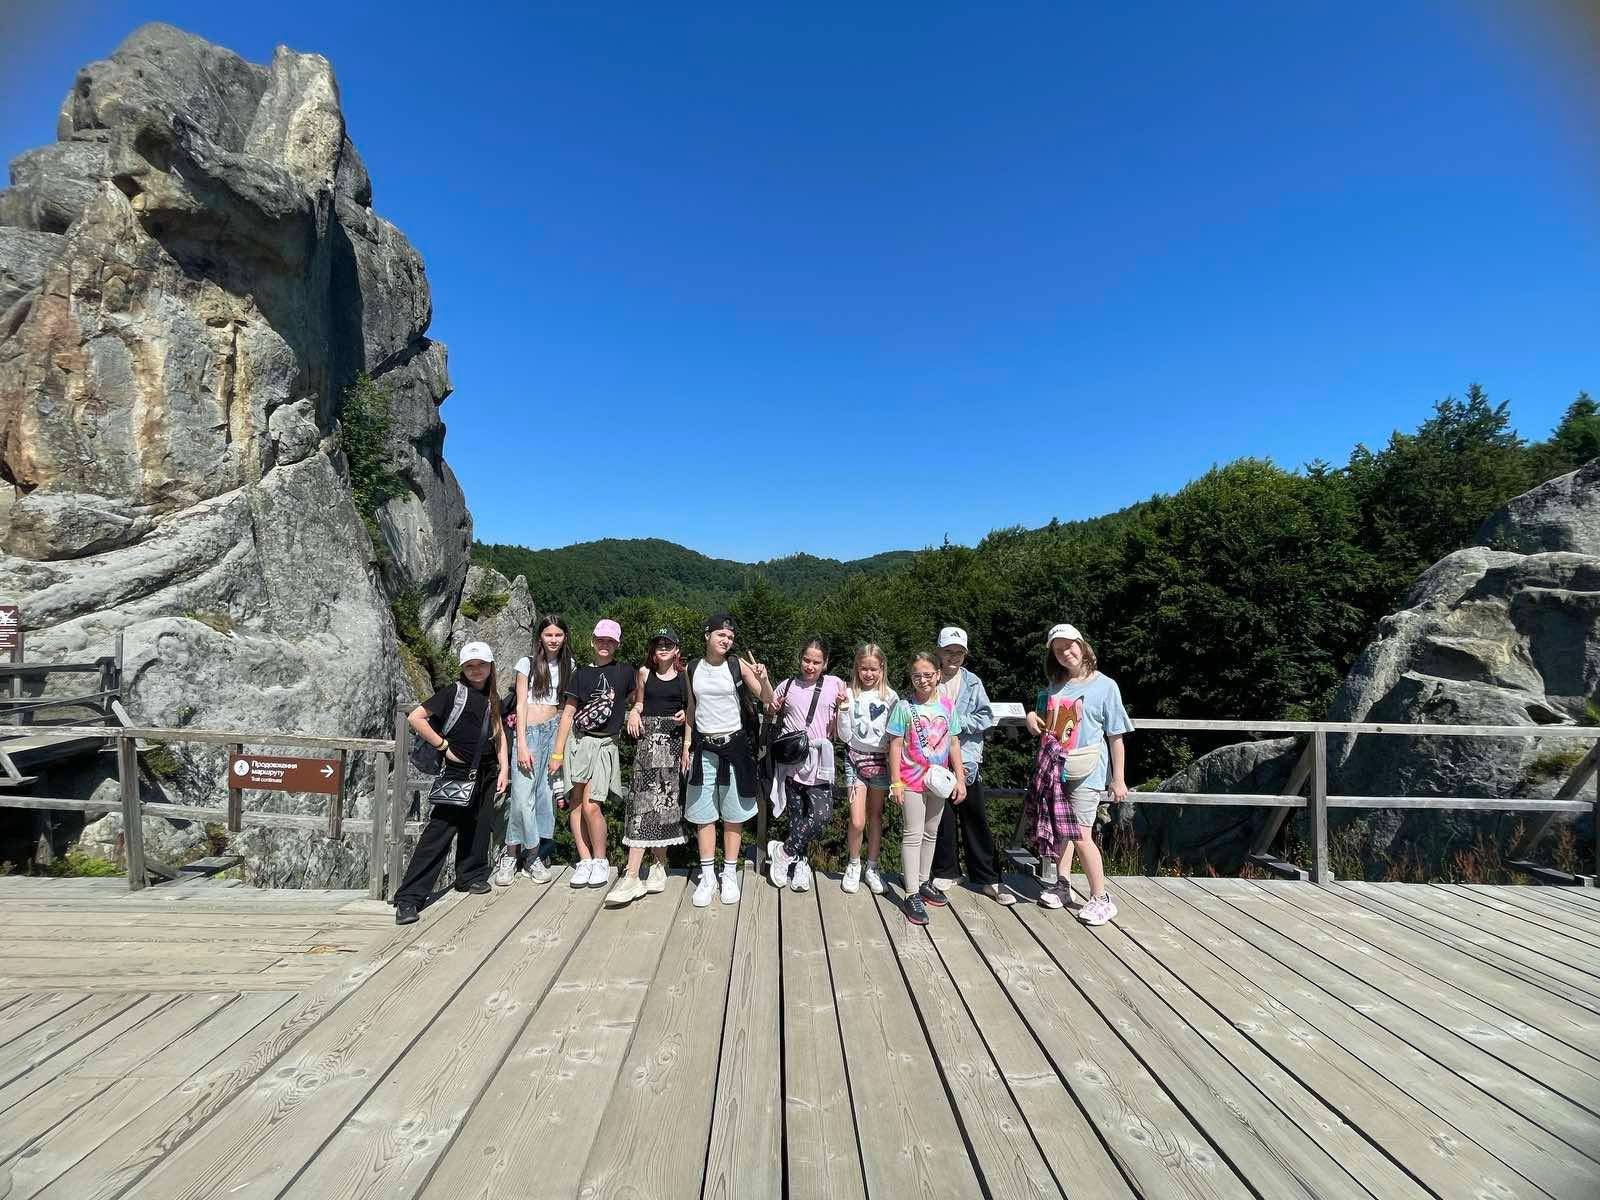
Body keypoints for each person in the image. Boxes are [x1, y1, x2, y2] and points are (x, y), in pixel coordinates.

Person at [1022, 622, 1130, 926]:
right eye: (1058, 650)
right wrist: (1031, 716)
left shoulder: (1105, 686)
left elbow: (1116, 736)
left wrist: (1118, 778)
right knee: (1061, 829)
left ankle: (1101, 898)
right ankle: (1063, 884)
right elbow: (1043, 717)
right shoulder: (1055, 684)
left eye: (1069, 646)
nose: (1065, 653)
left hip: (1088, 770)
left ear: (1082, 646)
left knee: (1081, 834)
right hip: (1056, 768)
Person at [395, 641, 509, 925]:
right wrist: (443, 746)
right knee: (439, 833)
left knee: (478, 826)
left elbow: (498, 732)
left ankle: (470, 875)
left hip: (487, 770)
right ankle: (409, 898)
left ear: (491, 666)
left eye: (481, 665)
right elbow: (416, 717)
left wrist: (504, 767)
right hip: (458, 770)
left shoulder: (492, 697)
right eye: (470, 666)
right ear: (462, 669)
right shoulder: (452, 693)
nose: (476, 670)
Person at [684, 612, 772, 907]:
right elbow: (692, 708)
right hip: (704, 748)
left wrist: (764, 679)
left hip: (734, 747)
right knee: (703, 814)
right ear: (707, 635)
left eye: (731, 637)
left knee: (733, 814)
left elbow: (768, 699)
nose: (726, 640)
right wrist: (686, 745)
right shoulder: (692, 668)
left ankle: (730, 873)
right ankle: (708, 876)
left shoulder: (738, 665)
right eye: (721, 634)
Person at [606, 628, 691, 906]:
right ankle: (632, 875)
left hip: (672, 745)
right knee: (641, 806)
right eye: (658, 644)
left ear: (677, 649)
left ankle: (658, 865)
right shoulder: (644, 673)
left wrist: (686, 730)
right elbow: (641, 702)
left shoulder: (685, 676)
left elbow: (692, 708)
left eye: (668, 644)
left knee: (665, 807)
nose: (663, 648)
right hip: (647, 744)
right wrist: (633, 711)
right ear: (653, 650)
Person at [549, 619, 634, 889]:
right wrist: (557, 753)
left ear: (617, 644)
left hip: (605, 744)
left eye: (610, 641)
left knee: (592, 805)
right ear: (592, 641)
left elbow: (637, 698)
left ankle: (600, 859)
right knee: (576, 802)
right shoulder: (581, 673)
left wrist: (637, 711)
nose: (604, 644)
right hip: (579, 742)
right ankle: (584, 860)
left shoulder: (625, 671)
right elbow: (568, 713)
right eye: (600, 639)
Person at [928, 626, 1011, 905]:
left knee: (974, 817)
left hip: (966, 759)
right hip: (935, 760)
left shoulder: (973, 682)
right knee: (942, 818)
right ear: (938, 651)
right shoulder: (929, 677)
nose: (953, 657)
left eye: (959, 652)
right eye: (948, 651)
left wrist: (955, 723)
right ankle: (947, 871)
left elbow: (985, 716)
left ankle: (988, 877)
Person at [493, 615, 574, 887]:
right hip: (528, 733)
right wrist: (521, 744)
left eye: (558, 635)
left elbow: (565, 708)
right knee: (521, 798)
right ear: (540, 636)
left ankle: (533, 857)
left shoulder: (569, 666)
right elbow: (520, 705)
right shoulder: (526, 664)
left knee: (544, 798)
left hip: (553, 732)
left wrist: (559, 749)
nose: (553, 640)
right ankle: (511, 854)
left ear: (565, 637)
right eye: (548, 634)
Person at [886, 650, 966, 926]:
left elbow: (953, 742)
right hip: (911, 780)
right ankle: (911, 893)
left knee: (931, 833)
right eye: (917, 675)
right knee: (913, 834)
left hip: (938, 780)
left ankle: (922, 882)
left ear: (938, 675)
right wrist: (895, 781)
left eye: (928, 675)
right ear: (911, 677)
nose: (923, 680)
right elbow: (895, 745)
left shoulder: (946, 706)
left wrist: (960, 778)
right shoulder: (903, 707)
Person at [765, 638, 850, 892]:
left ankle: (783, 852)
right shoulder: (787, 685)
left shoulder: (835, 685)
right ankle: (800, 862)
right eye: (806, 660)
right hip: (792, 760)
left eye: (816, 662)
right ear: (800, 658)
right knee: (797, 815)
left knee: (821, 815)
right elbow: (769, 709)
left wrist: (843, 706)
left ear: (825, 664)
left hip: (820, 761)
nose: (810, 666)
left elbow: (845, 719)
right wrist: (771, 707)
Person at [839, 643, 896, 895]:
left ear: (882, 669)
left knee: (875, 817)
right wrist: (842, 709)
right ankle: (854, 863)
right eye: (864, 669)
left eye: (874, 669)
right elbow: (844, 735)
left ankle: (872, 867)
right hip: (855, 760)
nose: (869, 674)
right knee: (857, 819)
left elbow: (896, 736)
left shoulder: (891, 698)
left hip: (881, 762)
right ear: (857, 668)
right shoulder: (849, 694)